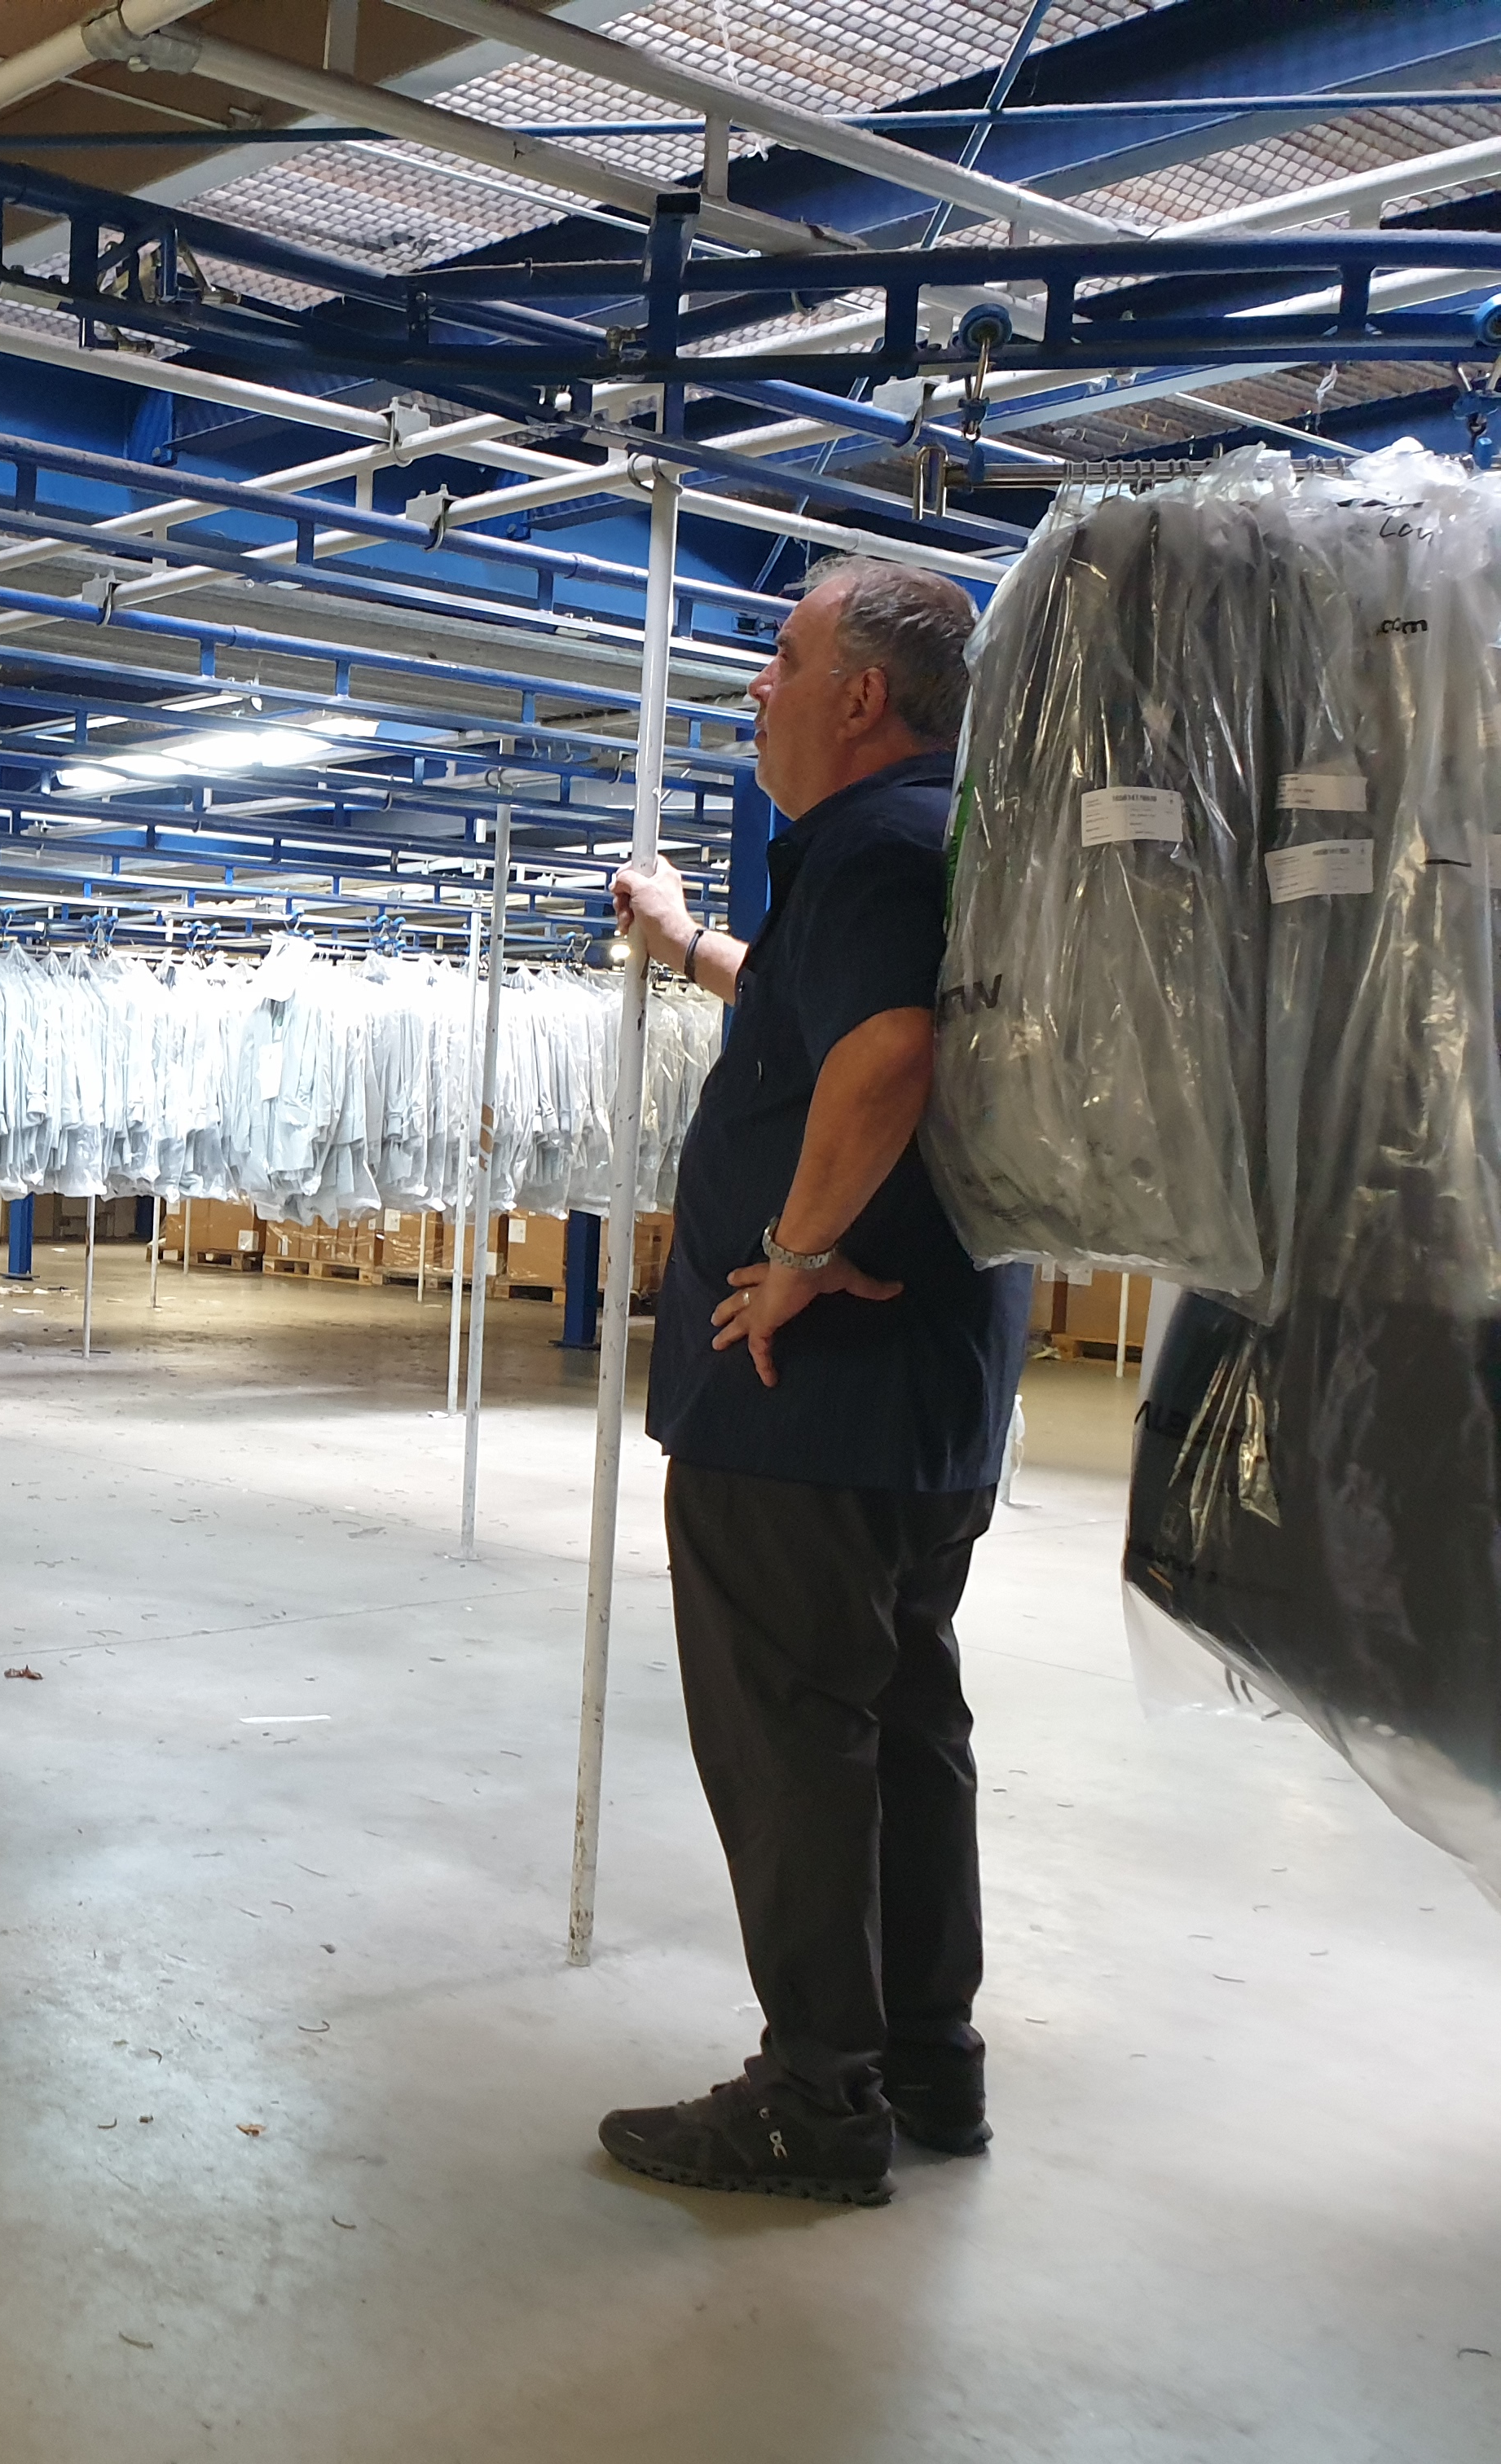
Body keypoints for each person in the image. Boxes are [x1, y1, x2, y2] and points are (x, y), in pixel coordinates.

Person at [599, 556, 1032, 2209]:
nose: (754, 687)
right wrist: (687, 944)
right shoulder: (946, 843)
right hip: (924, 1398)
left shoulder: (865, 845)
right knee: (904, 1718)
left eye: (780, 658)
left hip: (806, 1399)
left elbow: (884, 1052)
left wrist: (787, 1251)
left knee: (791, 1737)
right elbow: (824, 1010)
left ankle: (814, 2096)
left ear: (861, 695)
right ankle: (925, 2059)